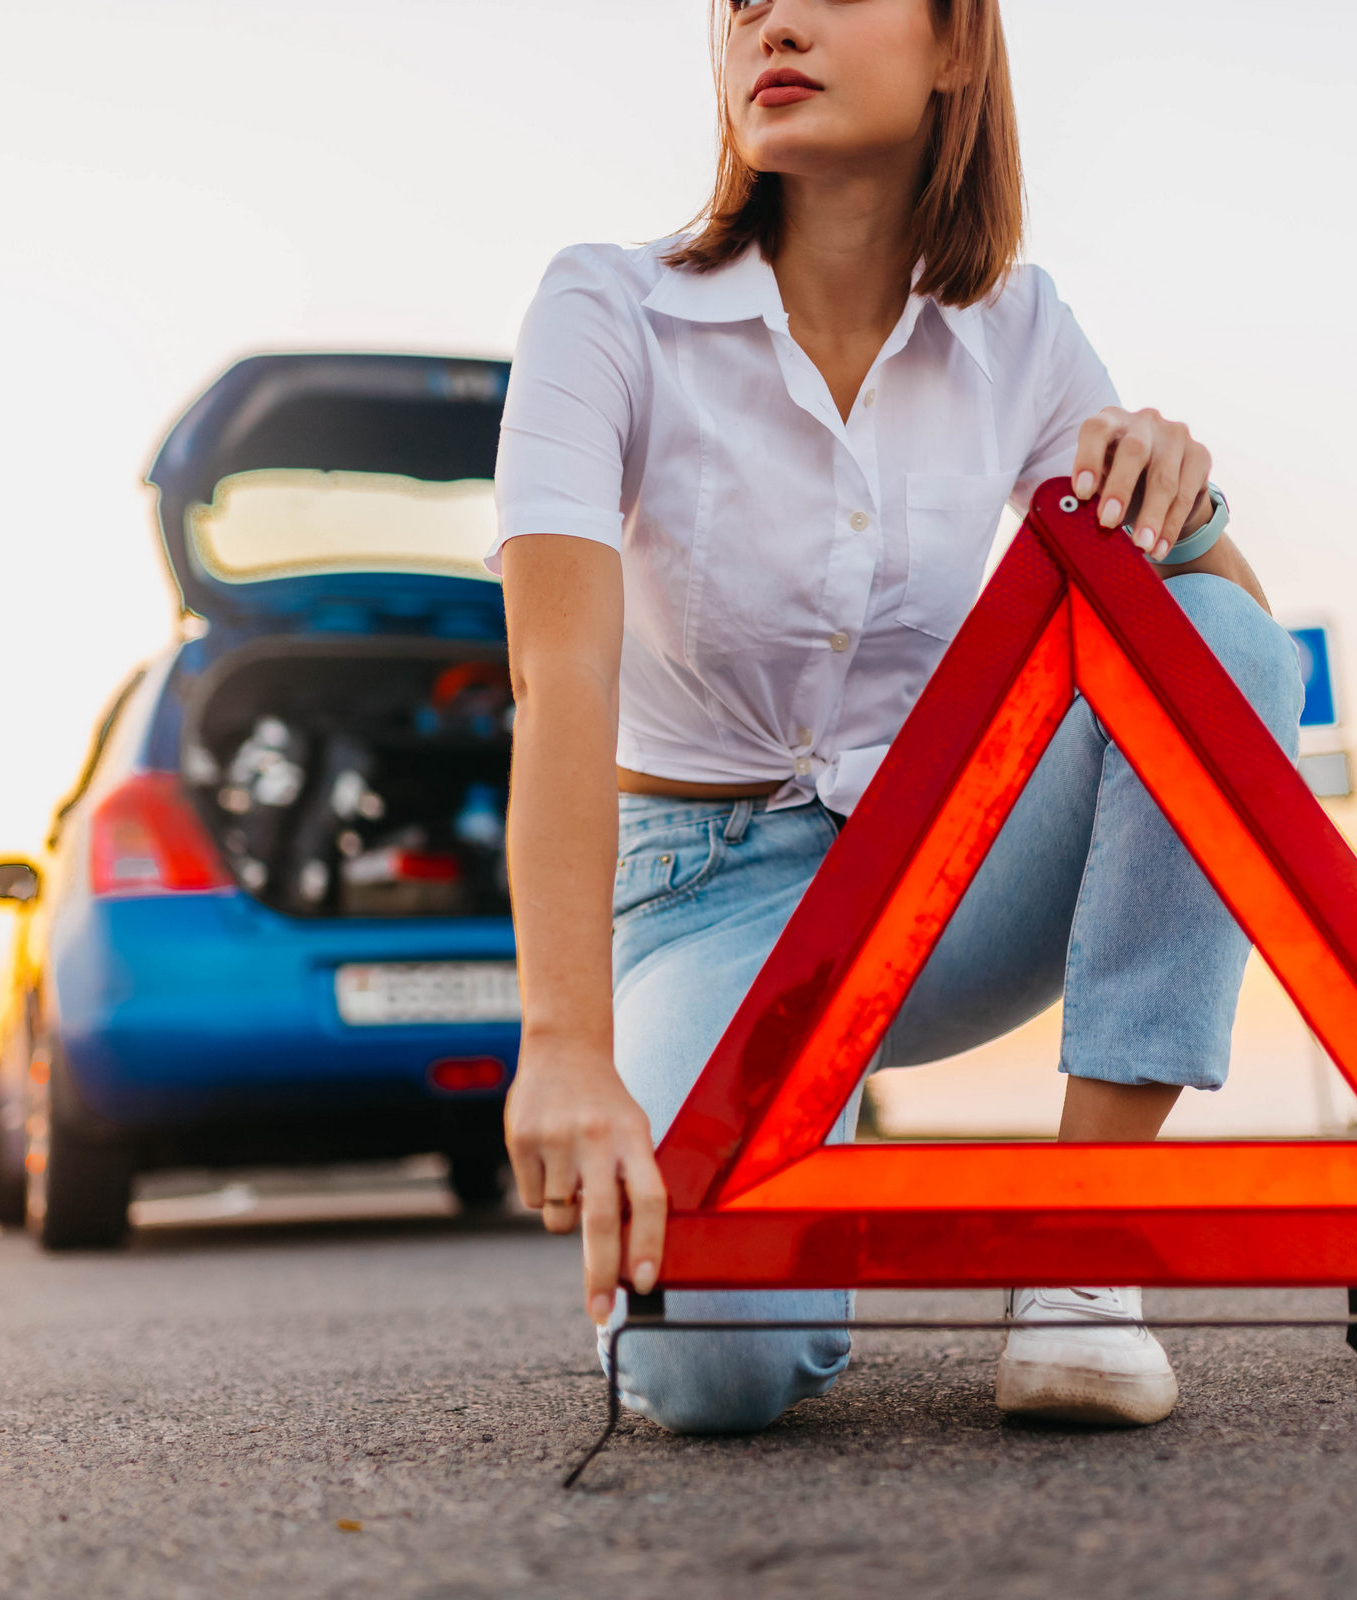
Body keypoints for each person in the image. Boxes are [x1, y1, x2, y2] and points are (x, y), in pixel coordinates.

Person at [490, 0, 1301, 1433]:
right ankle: (780, 1178)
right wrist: (565, 1043)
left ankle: (1081, 1250)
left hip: (937, 877)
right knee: (706, 1375)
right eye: (742, 3)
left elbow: (1220, 656)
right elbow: (561, 682)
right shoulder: (606, 307)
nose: (772, 21)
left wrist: (1186, 494)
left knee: (1220, 631)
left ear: (953, 49)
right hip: (698, 904)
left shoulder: (1023, 329)